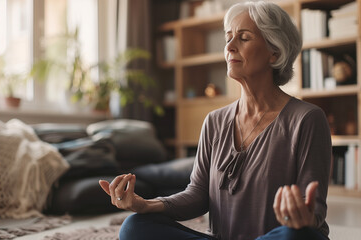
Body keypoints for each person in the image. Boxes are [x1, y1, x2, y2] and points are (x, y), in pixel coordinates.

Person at [99, 1, 331, 240]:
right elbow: (197, 195)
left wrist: (302, 216)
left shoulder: (307, 119)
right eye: (228, 37)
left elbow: (313, 211)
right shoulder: (214, 121)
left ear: (275, 52)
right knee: (135, 226)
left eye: (244, 37)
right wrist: (145, 204)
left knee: (300, 237)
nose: (229, 46)